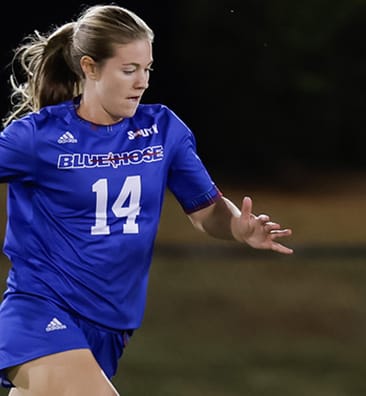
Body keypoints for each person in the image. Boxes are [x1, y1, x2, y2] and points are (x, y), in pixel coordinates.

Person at [0, 5, 293, 394]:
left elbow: (206, 212)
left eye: (147, 69)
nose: (142, 82)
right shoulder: (37, 137)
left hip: (110, 325)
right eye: (128, 70)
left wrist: (238, 226)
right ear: (89, 68)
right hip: (40, 311)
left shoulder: (163, 130)